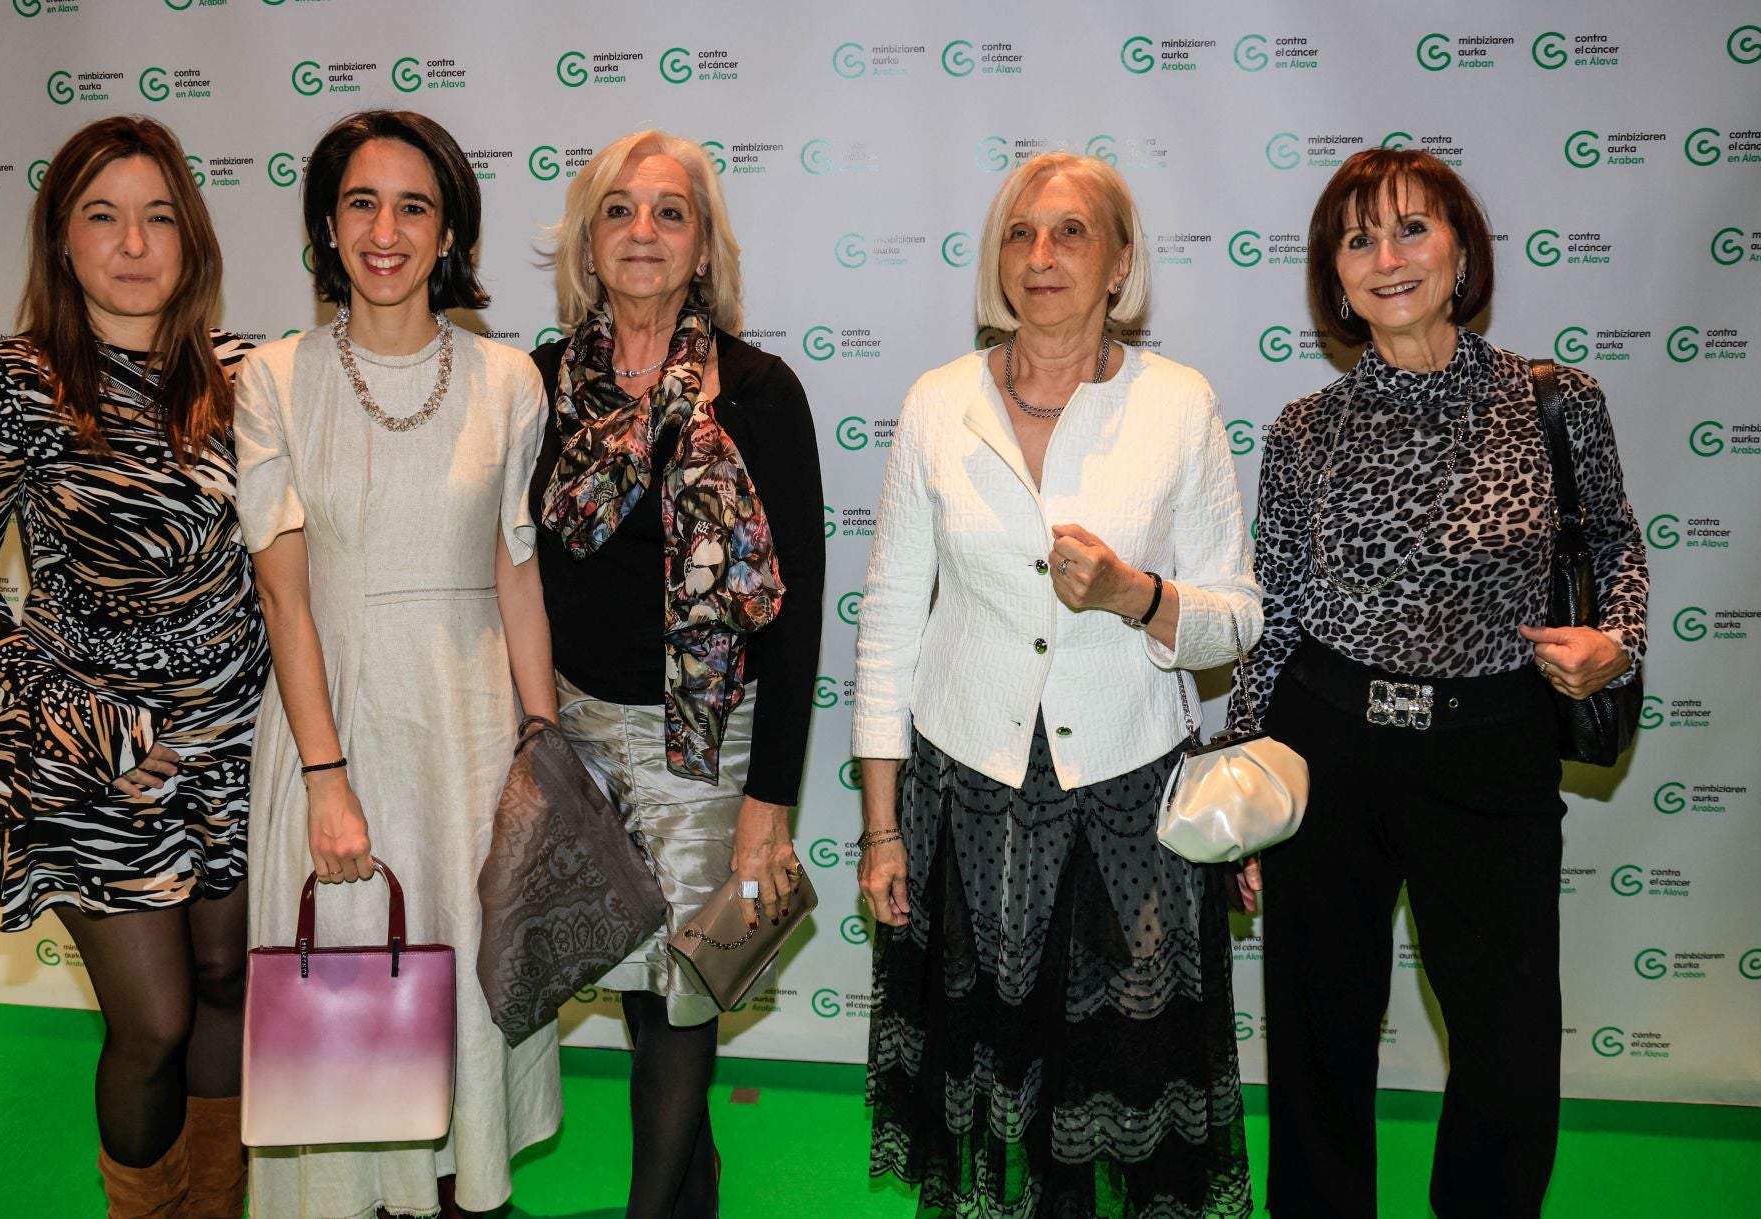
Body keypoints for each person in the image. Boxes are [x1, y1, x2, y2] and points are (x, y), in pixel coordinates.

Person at [1232, 147, 1648, 1219]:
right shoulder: (1303, 431)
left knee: (1508, 1058)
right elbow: (1278, 612)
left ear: (1462, 249)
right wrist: (1241, 778)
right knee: (1320, 1052)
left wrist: (1617, 637)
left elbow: (1616, 545)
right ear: (1335, 279)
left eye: (1412, 227)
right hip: (1328, 749)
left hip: (1489, 751)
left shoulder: (1554, 401)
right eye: (1358, 239)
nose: (1387, 256)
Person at [854, 150, 1259, 1218]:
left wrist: (1137, 595)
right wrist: (882, 828)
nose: (1042, 256)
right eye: (1022, 234)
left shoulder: (1178, 403)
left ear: (1120, 262)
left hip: (1128, 798)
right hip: (965, 795)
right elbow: (891, 619)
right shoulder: (939, 402)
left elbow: (1236, 617)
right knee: (991, 1084)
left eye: (1072, 232)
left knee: (1126, 1080)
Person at [0, 115, 268, 1217]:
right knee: (155, 1020)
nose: (133, 243)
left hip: (229, 744)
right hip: (90, 755)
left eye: (159, 216)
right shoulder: (13, 380)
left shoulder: (244, 375)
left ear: (193, 241)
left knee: (227, 985)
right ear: (61, 242)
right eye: (103, 217)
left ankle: (215, 1201)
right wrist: (68, 704)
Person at [233, 109, 560, 1219]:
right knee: (346, 1017)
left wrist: (545, 748)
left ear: (449, 230)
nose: (387, 229)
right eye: (362, 203)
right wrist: (328, 778)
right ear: (327, 225)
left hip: (471, 742)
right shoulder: (272, 380)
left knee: (463, 999)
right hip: (339, 731)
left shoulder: (511, 379)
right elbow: (284, 593)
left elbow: (517, 572)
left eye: (415, 205)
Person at [529, 128, 824, 1219]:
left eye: (668, 211)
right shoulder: (539, 386)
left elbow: (793, 625)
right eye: (619, 209)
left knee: (685, 1003)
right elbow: (515, 575)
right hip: (578, 739)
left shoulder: (757, 392)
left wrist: (768, 808)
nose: (642, 232)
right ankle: (692, 1192)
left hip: (710, 751)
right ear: (588, 238)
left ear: (703, 242)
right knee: (640, 1005)